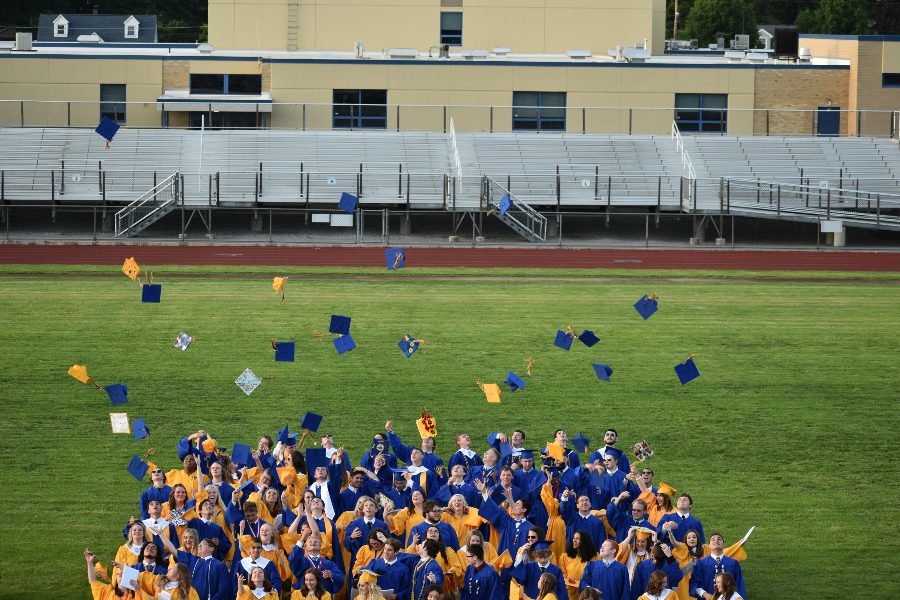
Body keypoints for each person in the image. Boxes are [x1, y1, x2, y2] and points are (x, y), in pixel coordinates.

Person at [474, 478, 533, 556]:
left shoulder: (530, 528)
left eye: (517, 504)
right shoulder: (507, 521)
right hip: (504, 562)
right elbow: (495, 510)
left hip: (521, 563)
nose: (513, 506)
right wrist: (484, 493)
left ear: (524, 510)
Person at [688, 534, 746, 600]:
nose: (716, 541)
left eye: (719, 539)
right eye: (713, 539)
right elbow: (694, 582)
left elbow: (739, 584)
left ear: (723, 545)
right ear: (709, 546)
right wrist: (704, 594)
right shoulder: (701, 564)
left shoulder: (733, 563)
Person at [559, 531, 599, 600]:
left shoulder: (595, 557)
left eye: (577, 539)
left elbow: (597, 574)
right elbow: (562, 576)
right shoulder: (565, 556)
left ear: (584, 541)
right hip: (571, 594)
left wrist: (586, 586)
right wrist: (578, 584)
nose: (574, 540)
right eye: (574, 538)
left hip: (588, 594)